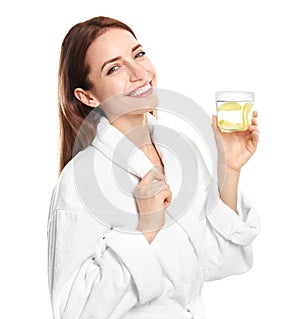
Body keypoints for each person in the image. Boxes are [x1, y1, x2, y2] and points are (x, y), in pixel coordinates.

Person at [47, 16, 260, 319]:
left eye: (138, 54)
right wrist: (146, 227)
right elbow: (73, 312)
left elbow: (218, 261)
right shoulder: (81, 179)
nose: (139, 72)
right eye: (114, 68)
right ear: (87, 96)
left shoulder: (179, 153)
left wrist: (229, 168)